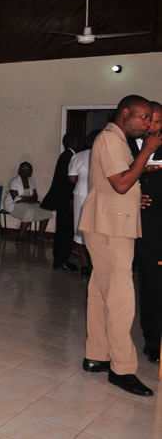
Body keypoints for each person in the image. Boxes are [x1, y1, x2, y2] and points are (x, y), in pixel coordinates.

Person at [79, 95, 162, 397]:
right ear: (126, 113)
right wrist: (149, 152)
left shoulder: (116, 139)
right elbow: (122, 183)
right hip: (111, 226)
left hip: (105, 221)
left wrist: (137, 186)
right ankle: (122, 369)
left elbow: (121, 182)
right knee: (121, 297)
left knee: (101, 292)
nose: (147, 125)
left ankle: (96, 355)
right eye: (143, 118)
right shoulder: (112, 139)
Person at [127, 101, 162, 364]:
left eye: (159, 122)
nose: (153, 127)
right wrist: (133, 196)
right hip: (135, 224)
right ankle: (152, 340)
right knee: (148, 283)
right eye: (150, 120)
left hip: (158, 222)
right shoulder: (126, 144)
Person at [41, 134, 80, 272]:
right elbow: (66, 182)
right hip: (65, 201)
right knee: (65, 230)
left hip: (64, 200)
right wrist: (70, 199)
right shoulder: (69, 157)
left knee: (64, 230)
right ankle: (62, 260)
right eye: (77, 140)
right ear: (72, 142)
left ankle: (61, 259)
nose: (79, 142)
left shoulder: (66, 156)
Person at [69, 130, 99, 277]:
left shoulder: (77, 156)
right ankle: (96, 264)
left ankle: (85, 264)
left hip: (81, 194)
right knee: (97, 229)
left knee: (80, 229)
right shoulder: (104, 155)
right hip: (99, 195)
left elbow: (72, 178)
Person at [4, 162, 53, 242]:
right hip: (15, 205)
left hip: (29, 204)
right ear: (19, 170)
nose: (24, 170)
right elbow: (16, 199)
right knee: (30, 211)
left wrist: (26, 199)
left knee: (46, 209)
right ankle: (20, 237)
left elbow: (35, 197)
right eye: (23, 168)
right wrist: (30, 199)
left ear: (30, 172)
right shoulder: (14, 181)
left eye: (27, 169)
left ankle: (40, 235)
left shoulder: (31, 182)